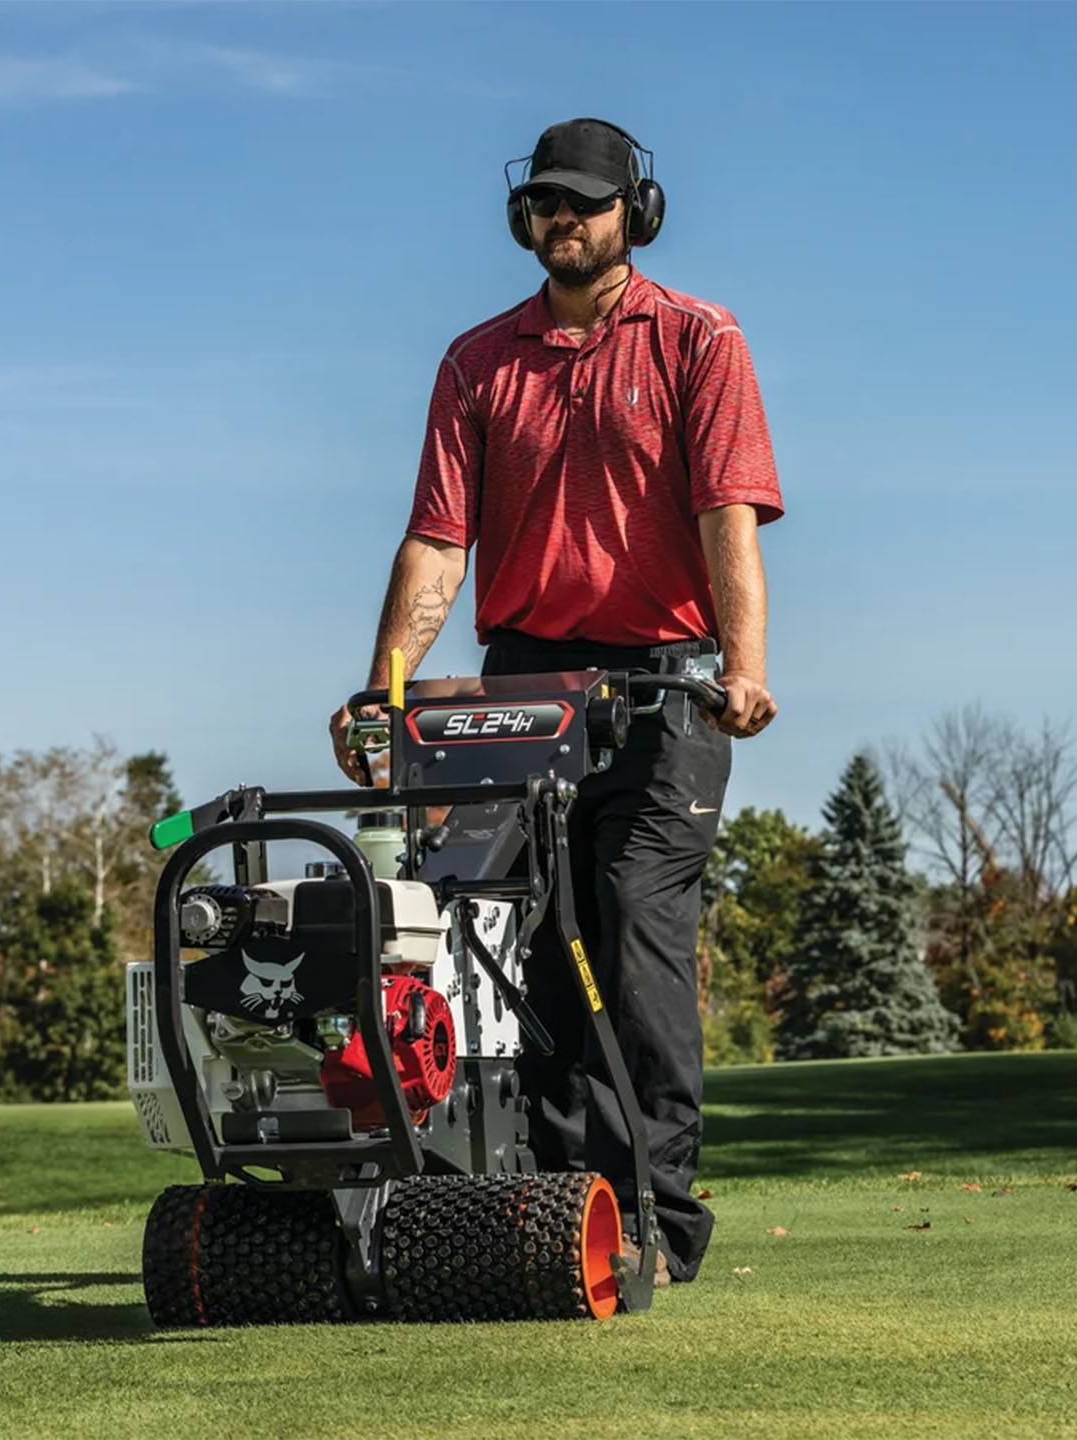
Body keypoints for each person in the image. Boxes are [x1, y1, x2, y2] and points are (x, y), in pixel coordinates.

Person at [327, 117, 783, 1285]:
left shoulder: (697, 339)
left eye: (585, 202)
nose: (562, 221)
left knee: (634, 931)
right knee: (529, 945)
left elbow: (725, 511)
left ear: (638, 210)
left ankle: (658, 1218)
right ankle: (558, 1199)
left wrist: (746, 665)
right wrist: (383, 694)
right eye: (545, 203)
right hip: (524, 689)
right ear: (522, 216)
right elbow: (436, 543)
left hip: (666, 683)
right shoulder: (478, 363)